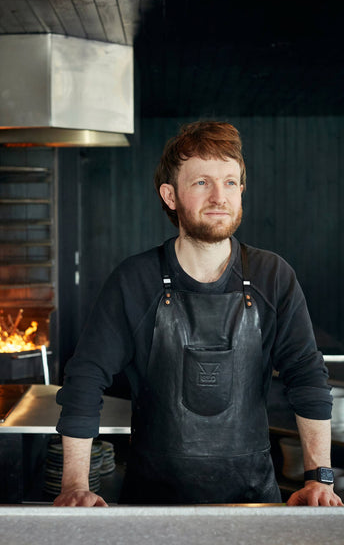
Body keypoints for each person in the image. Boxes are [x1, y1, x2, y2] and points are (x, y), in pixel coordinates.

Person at [54, 120, 343, 507]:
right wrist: (74, 486)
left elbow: (307, 377)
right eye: (202, 182)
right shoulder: (135, 280)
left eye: (230, 182)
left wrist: (319, 478)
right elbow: (85, 380)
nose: (219, 196)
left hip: (253, 502)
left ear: (241, 191)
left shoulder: (272, 276)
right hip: (151, 504)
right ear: (170, 196)